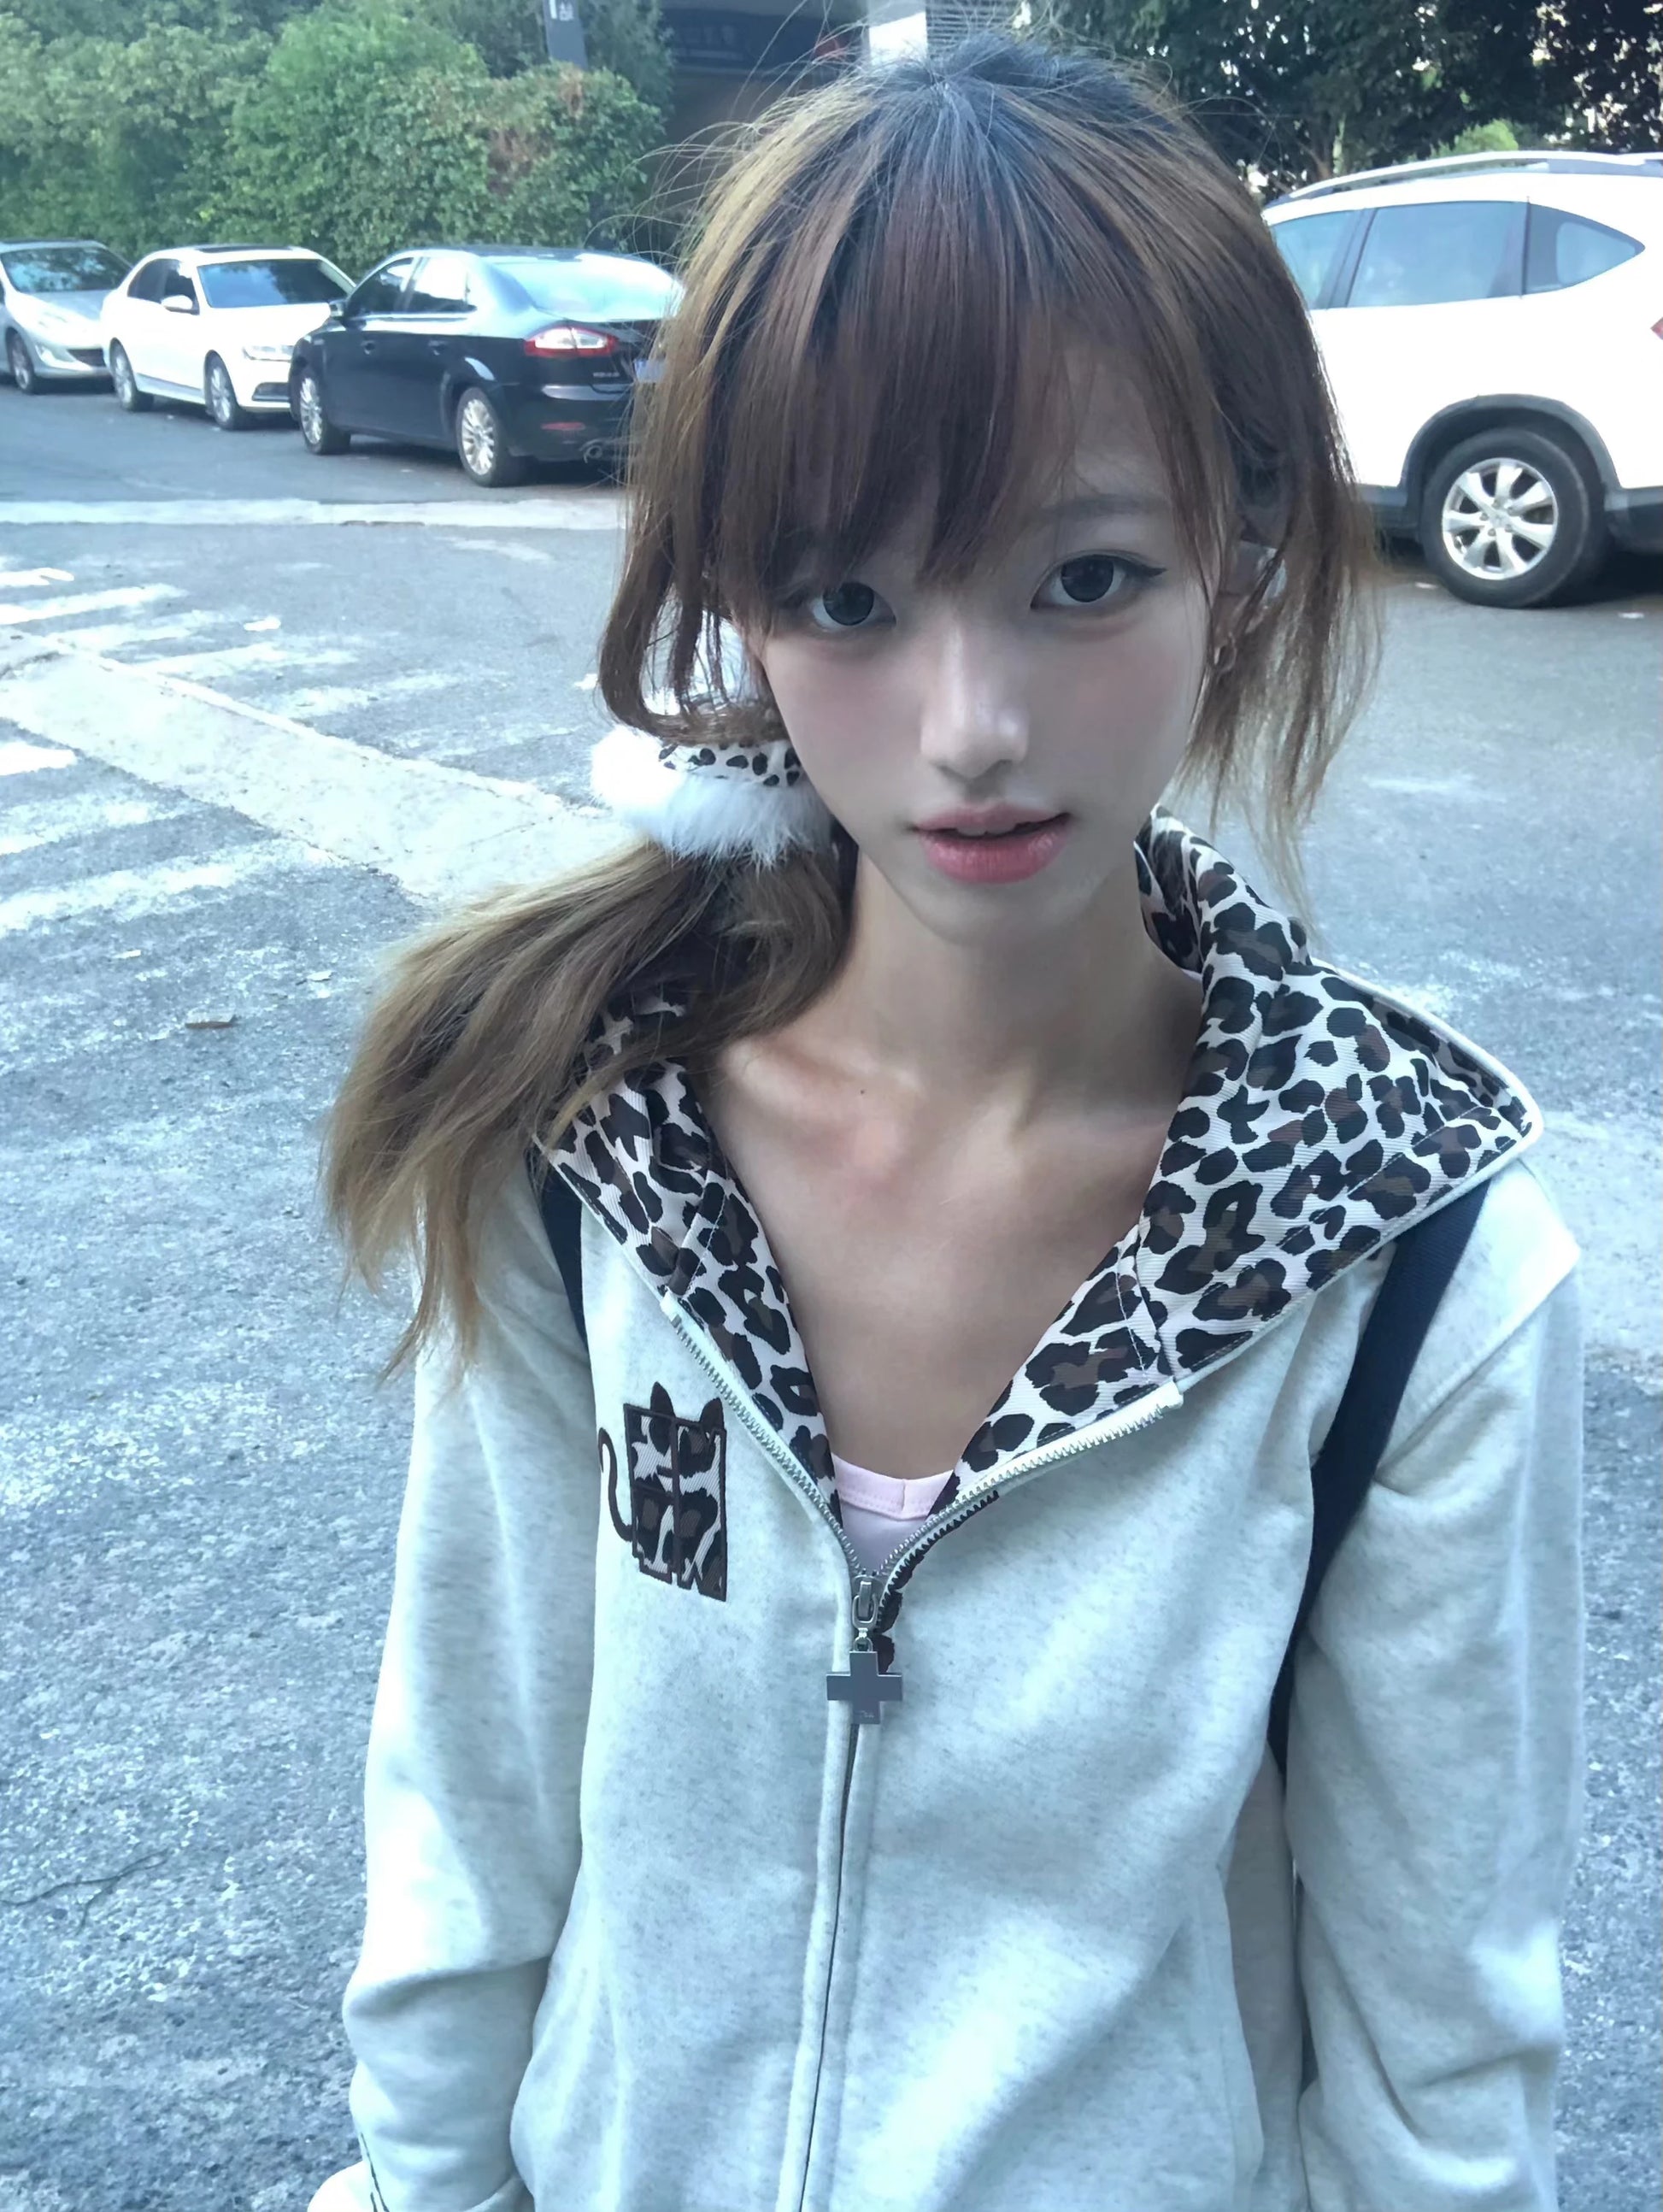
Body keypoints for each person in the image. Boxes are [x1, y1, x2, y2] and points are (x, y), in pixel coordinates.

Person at [309, 32, 1584, 2212]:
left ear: (1241, 561)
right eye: (849, 600)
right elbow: (474, 1809)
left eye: (1083, 579)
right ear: (741, 603)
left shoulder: (1415, 1266)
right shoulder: (588, 1145)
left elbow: (1440, 2052)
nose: (971, 726)